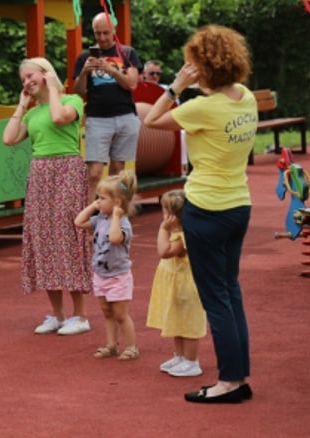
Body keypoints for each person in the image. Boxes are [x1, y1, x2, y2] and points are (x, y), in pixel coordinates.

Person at [143, 24, 256, 404]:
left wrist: (175, 87)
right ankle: (238, 377)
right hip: (238, 204)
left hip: (207, 209)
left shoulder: (201, 107)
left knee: (217, 300)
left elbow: (151, 121)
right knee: (231, 293)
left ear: (204, 66)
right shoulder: (246, 98)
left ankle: (228, 381)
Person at [2, 57, 92, 336]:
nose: (28, 82)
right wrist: (21, 104)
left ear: (46, 74)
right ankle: (58, 314)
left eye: (32, 76)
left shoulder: (73, 101)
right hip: (40, 174)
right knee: (44, 239)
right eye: (23, 79)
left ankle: (81, 315)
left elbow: (58, 117)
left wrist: (53, 87)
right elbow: (8, 138)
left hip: (67, 169)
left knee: (68, 235)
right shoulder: (31, 114)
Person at [72, 12, 143, 198]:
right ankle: (87, 215)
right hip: (97, 117)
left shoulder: (127, 53)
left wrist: (111, 70)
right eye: (98, 33)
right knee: (94, 172)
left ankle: (113, 213)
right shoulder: (85, 57)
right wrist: (85, 73)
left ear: (114, 30)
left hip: (125, 115)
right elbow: (78, 93)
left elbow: (131, 84)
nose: (102, 38)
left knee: (118, 170)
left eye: (106, 33)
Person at [74, 170, 139, 361]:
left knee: (120, 314)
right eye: (98, 198)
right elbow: (79, 222)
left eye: (102, 198)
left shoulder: (123, 224)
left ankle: (131, 346)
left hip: (118, 276)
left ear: (117, 203)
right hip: (101, 274)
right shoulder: (100, 219)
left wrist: (117, 217)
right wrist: (93, 205)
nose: (99, 201)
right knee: (106, 312)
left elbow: (114, 238)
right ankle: (111, 344)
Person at [146, 190, 206, 377]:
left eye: (165, 212)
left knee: (188, 323)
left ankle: (191, 360)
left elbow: (164, 251)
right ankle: (180, 356)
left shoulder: (181, 238)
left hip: (185, 286)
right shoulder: (177, 233)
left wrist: (163, 229)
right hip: (175, 284)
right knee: (177, 320)